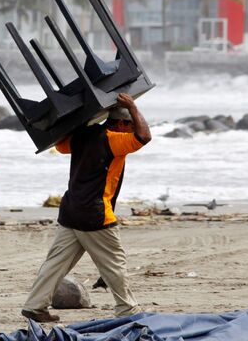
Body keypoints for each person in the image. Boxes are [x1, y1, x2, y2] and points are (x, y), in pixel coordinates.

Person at [21, 93, 152, 323]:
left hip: (70, 212)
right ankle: (128, 309)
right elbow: (144, 136)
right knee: (114, 264)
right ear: (121, 123)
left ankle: (35, 306)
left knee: (55, 263)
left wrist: (79, 123)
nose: (131, 131)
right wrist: (132, 105)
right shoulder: (114, 140)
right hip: (95, 216)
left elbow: (61, 145)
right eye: (129, 125)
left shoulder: (83, 136)